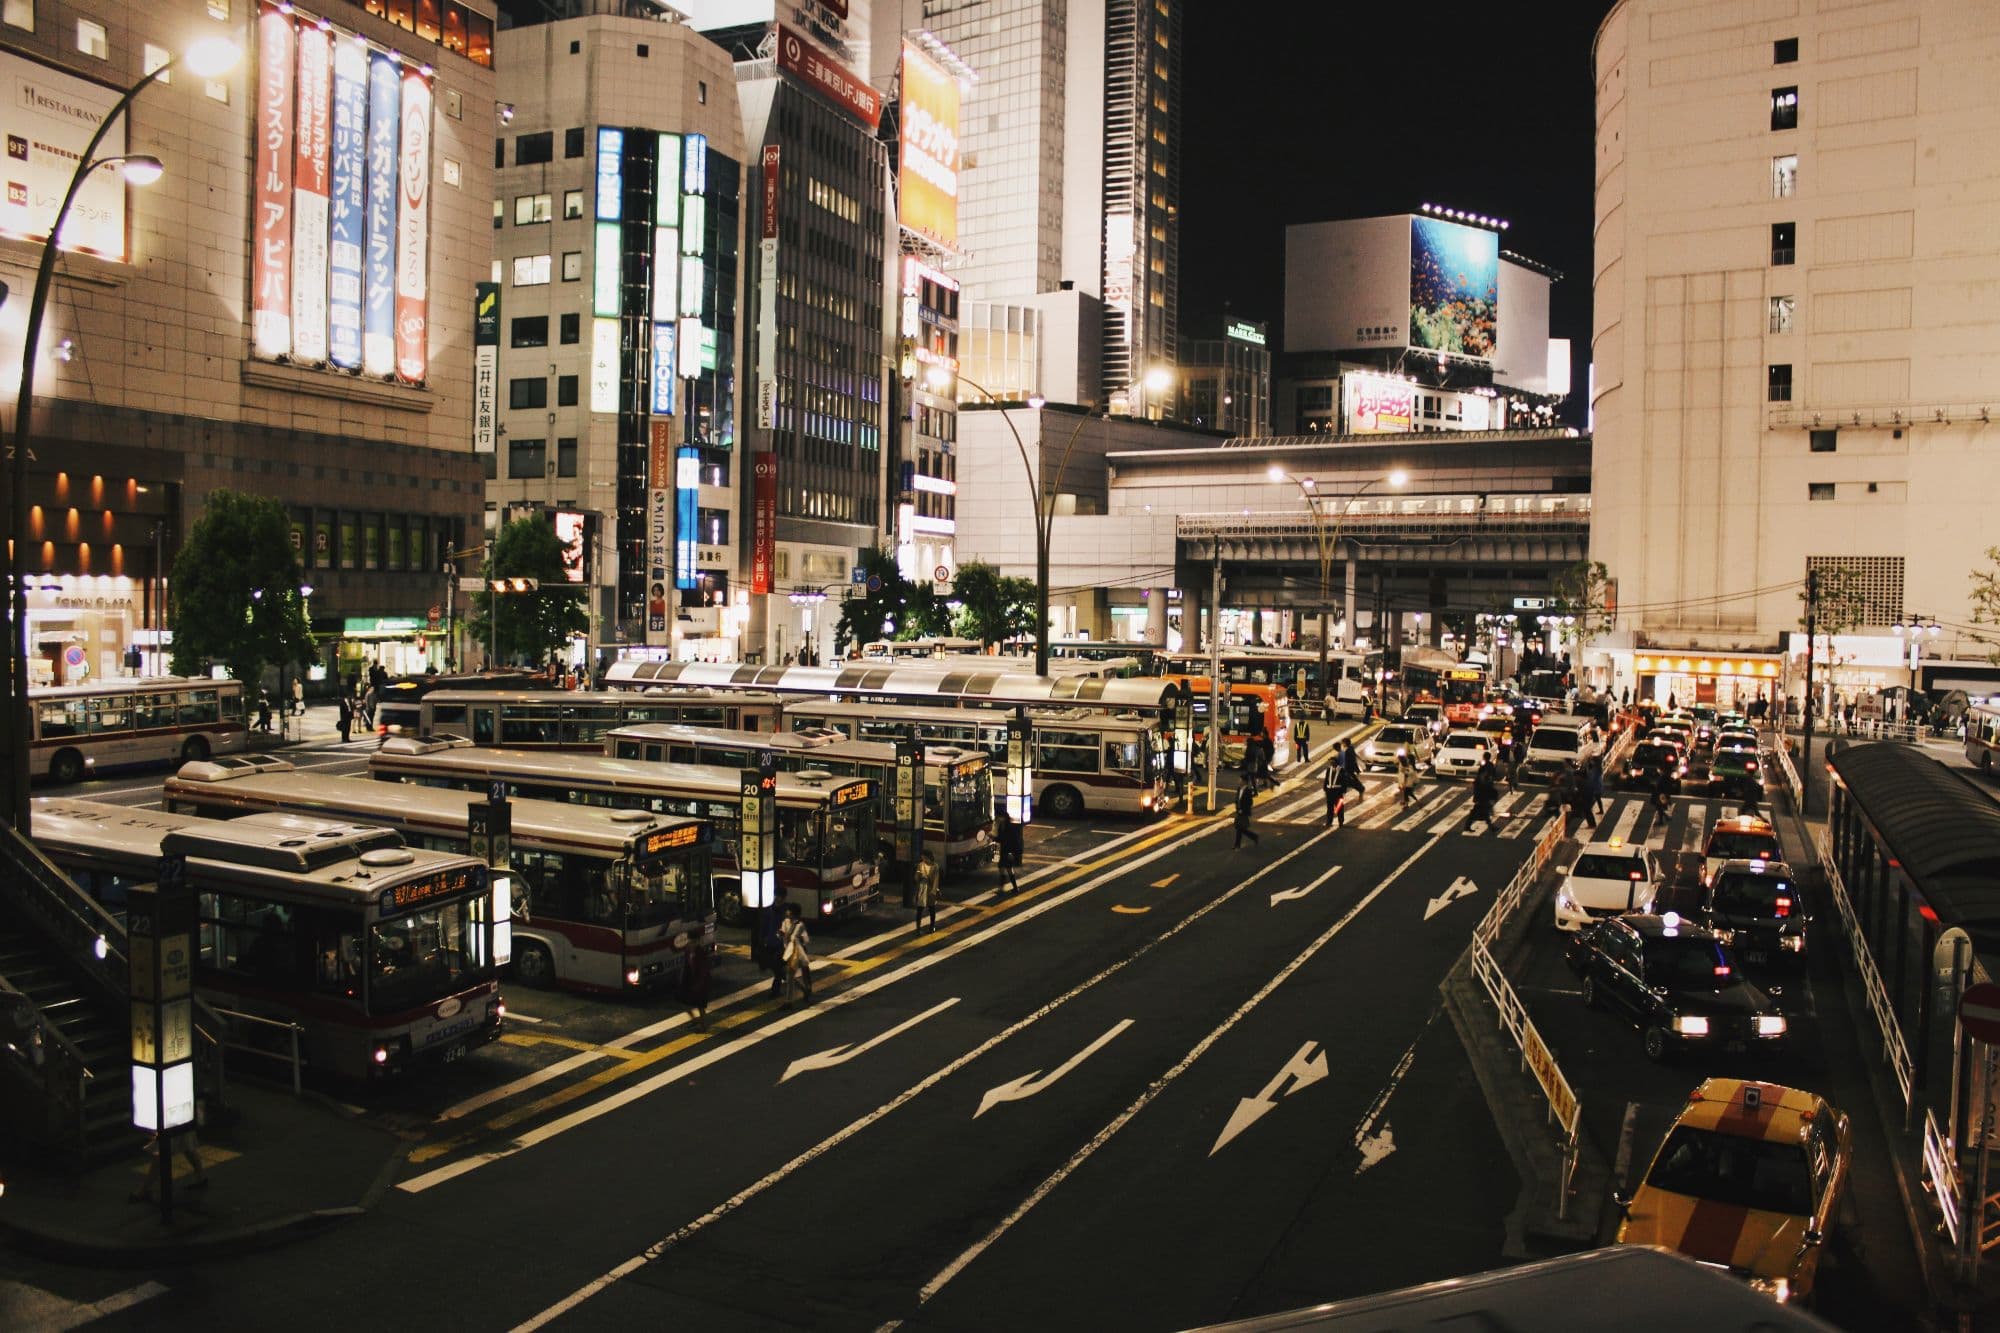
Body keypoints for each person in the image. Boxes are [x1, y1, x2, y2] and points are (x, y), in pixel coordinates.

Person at [130, 1117, 207, 1203]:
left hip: (171, 1122)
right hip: (180, 1119)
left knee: (162, 1153)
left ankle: (144, 1189)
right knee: (187, 1147)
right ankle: (201, 1177)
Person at [676, 933, 711, 1031]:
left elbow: (704, 971)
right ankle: (694, 1020)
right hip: (690, 980)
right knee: (683, 1001)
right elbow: (686, 965)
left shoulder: (701, 953)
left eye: (694, 942)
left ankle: (703, 1027)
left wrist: (699, 985)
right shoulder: (688, 950)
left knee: (701, 1006)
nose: (692, 943)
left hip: (701, 983)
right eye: (691, 941)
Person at [779, 902, 812, 1005]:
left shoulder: (799, 924)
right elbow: (782, 934)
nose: (786, 912)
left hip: (798, 952)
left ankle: (790, 1000)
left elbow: (805, 939)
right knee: (789, 975)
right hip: (788, 951)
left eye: (788, 910)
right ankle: (805, 990)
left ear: (792, 913)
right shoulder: (785, 922)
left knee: (793, 974)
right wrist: (781, 934)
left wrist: (788, 936)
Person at [760, 886, 790, 997]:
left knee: (777, 968)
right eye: (777, 896)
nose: (778, 899)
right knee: (776, 967)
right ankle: (777, 987)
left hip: (781, 945)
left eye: (780, 897)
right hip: (771, 944)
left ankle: (775, 990)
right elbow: (764, 926)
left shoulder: (784, 912)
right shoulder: (770, 910)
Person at [995, 807, 1023, 896]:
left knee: (1005, 869)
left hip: (1008, 851)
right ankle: (1013, 888)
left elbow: (1011, 841)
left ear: (1003, 817)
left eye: (998, 817)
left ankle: (1005, 889)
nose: (997, 819)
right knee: (1005, 869)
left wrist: (1012, 853)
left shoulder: (1010, 827)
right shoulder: (1001, 826)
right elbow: (1001, 839)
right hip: (1004, 850)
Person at [914, 850, 941, 933]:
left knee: (931, 908)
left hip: (930, 889)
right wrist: (917, 874)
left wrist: (933, 891)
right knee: (919, 909)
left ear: (927, 857)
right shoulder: (920, 865)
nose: (922, 858)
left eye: (923, 857)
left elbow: (936, 880)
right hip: (922, 889)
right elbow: (916, 878)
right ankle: (918, 928)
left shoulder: (935, 866)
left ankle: (932, 926)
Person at [1468, 758, 1498, 831]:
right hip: (1481, 798)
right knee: (1482, 813)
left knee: (1480, 813)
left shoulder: (1481, 777)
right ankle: (1492, 827)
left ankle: (1492, 827)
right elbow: (1482, 787)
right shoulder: (1481, 779)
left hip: (1482, 797)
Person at [1233, 780, 1261, 849]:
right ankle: (1254, 836)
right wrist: (1237, 808)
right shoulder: (1239, 789)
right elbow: (1237, 799)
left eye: (1240, 780)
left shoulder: (1248, 791)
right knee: (1240, 828)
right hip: (1239, 811)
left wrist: (1243, 809)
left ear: (1244, 782)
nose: (1239, 781)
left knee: (1239, 828)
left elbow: (1250, 802)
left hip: (1244, 812)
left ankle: (1237, 845)